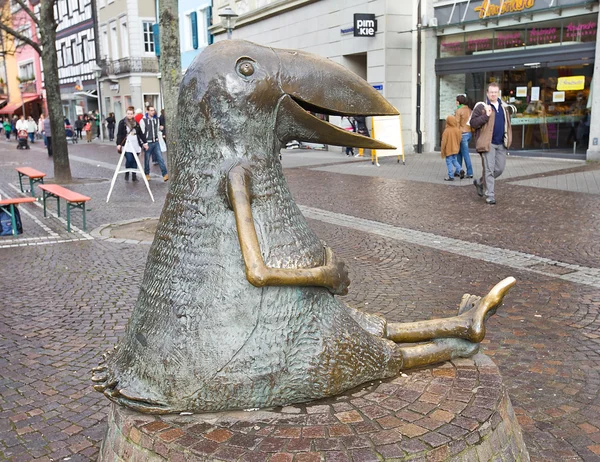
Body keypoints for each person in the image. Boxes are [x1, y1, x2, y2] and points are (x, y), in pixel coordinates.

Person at [469, 82, 513, 205]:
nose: (493, 94)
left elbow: (507, 124)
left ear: (498, 93)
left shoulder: (504, 107)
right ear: (487, 93)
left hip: (501, 143)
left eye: (495, 92)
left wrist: (508, 138)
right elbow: (473, 123)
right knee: (489, 169)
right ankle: (490, 196)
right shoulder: (481, 107)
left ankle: (480, 182)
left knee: (499, 169)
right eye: (491, 92)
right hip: (488, 143)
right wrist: (486, 116)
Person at [116, 106, 148, 182]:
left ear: (133, 114)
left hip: (135, 143)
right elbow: (119, 134)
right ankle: (127, 173)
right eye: (128, 114)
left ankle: (134, 175)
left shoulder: (136, 123)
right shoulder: (122, 122)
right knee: (129, 159)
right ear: (126, 114)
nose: (129, 115)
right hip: (127, 144)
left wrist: (145, 143)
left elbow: (140, 133)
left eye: (131, 114)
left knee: (134, 160)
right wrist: (119, 144)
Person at [139, 105, 168, 182]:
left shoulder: (156, 119)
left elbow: (157, 129)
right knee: (147, 159)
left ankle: (165, 174)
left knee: (160, 158)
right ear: (147, 111)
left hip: (156, 141)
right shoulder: (143, 120)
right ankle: (147, 174)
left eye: (153, 110)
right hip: (148, 142)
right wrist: (143, 143)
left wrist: (160, 129)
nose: (153, 112)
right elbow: (141, 133)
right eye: (151, 110)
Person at [455, 95, 473, 178]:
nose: (455, 102)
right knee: (460, 152)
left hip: (462, 134)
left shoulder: (459, 110)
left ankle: (470, 172)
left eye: (456, 101)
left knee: (465, 154)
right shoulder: (469, 110)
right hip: (469, 133)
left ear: (459, 101)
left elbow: (457, 124)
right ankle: (458, 170)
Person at [441, 115, 463, 181]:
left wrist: (443, 150)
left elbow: (443, 141)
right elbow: (460, 139)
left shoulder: (446, 131)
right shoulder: (457, 130)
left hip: (449, 149)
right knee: (454, 160)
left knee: (449, 162)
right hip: (456, 149)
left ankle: (451, 176)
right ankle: (460, 169)